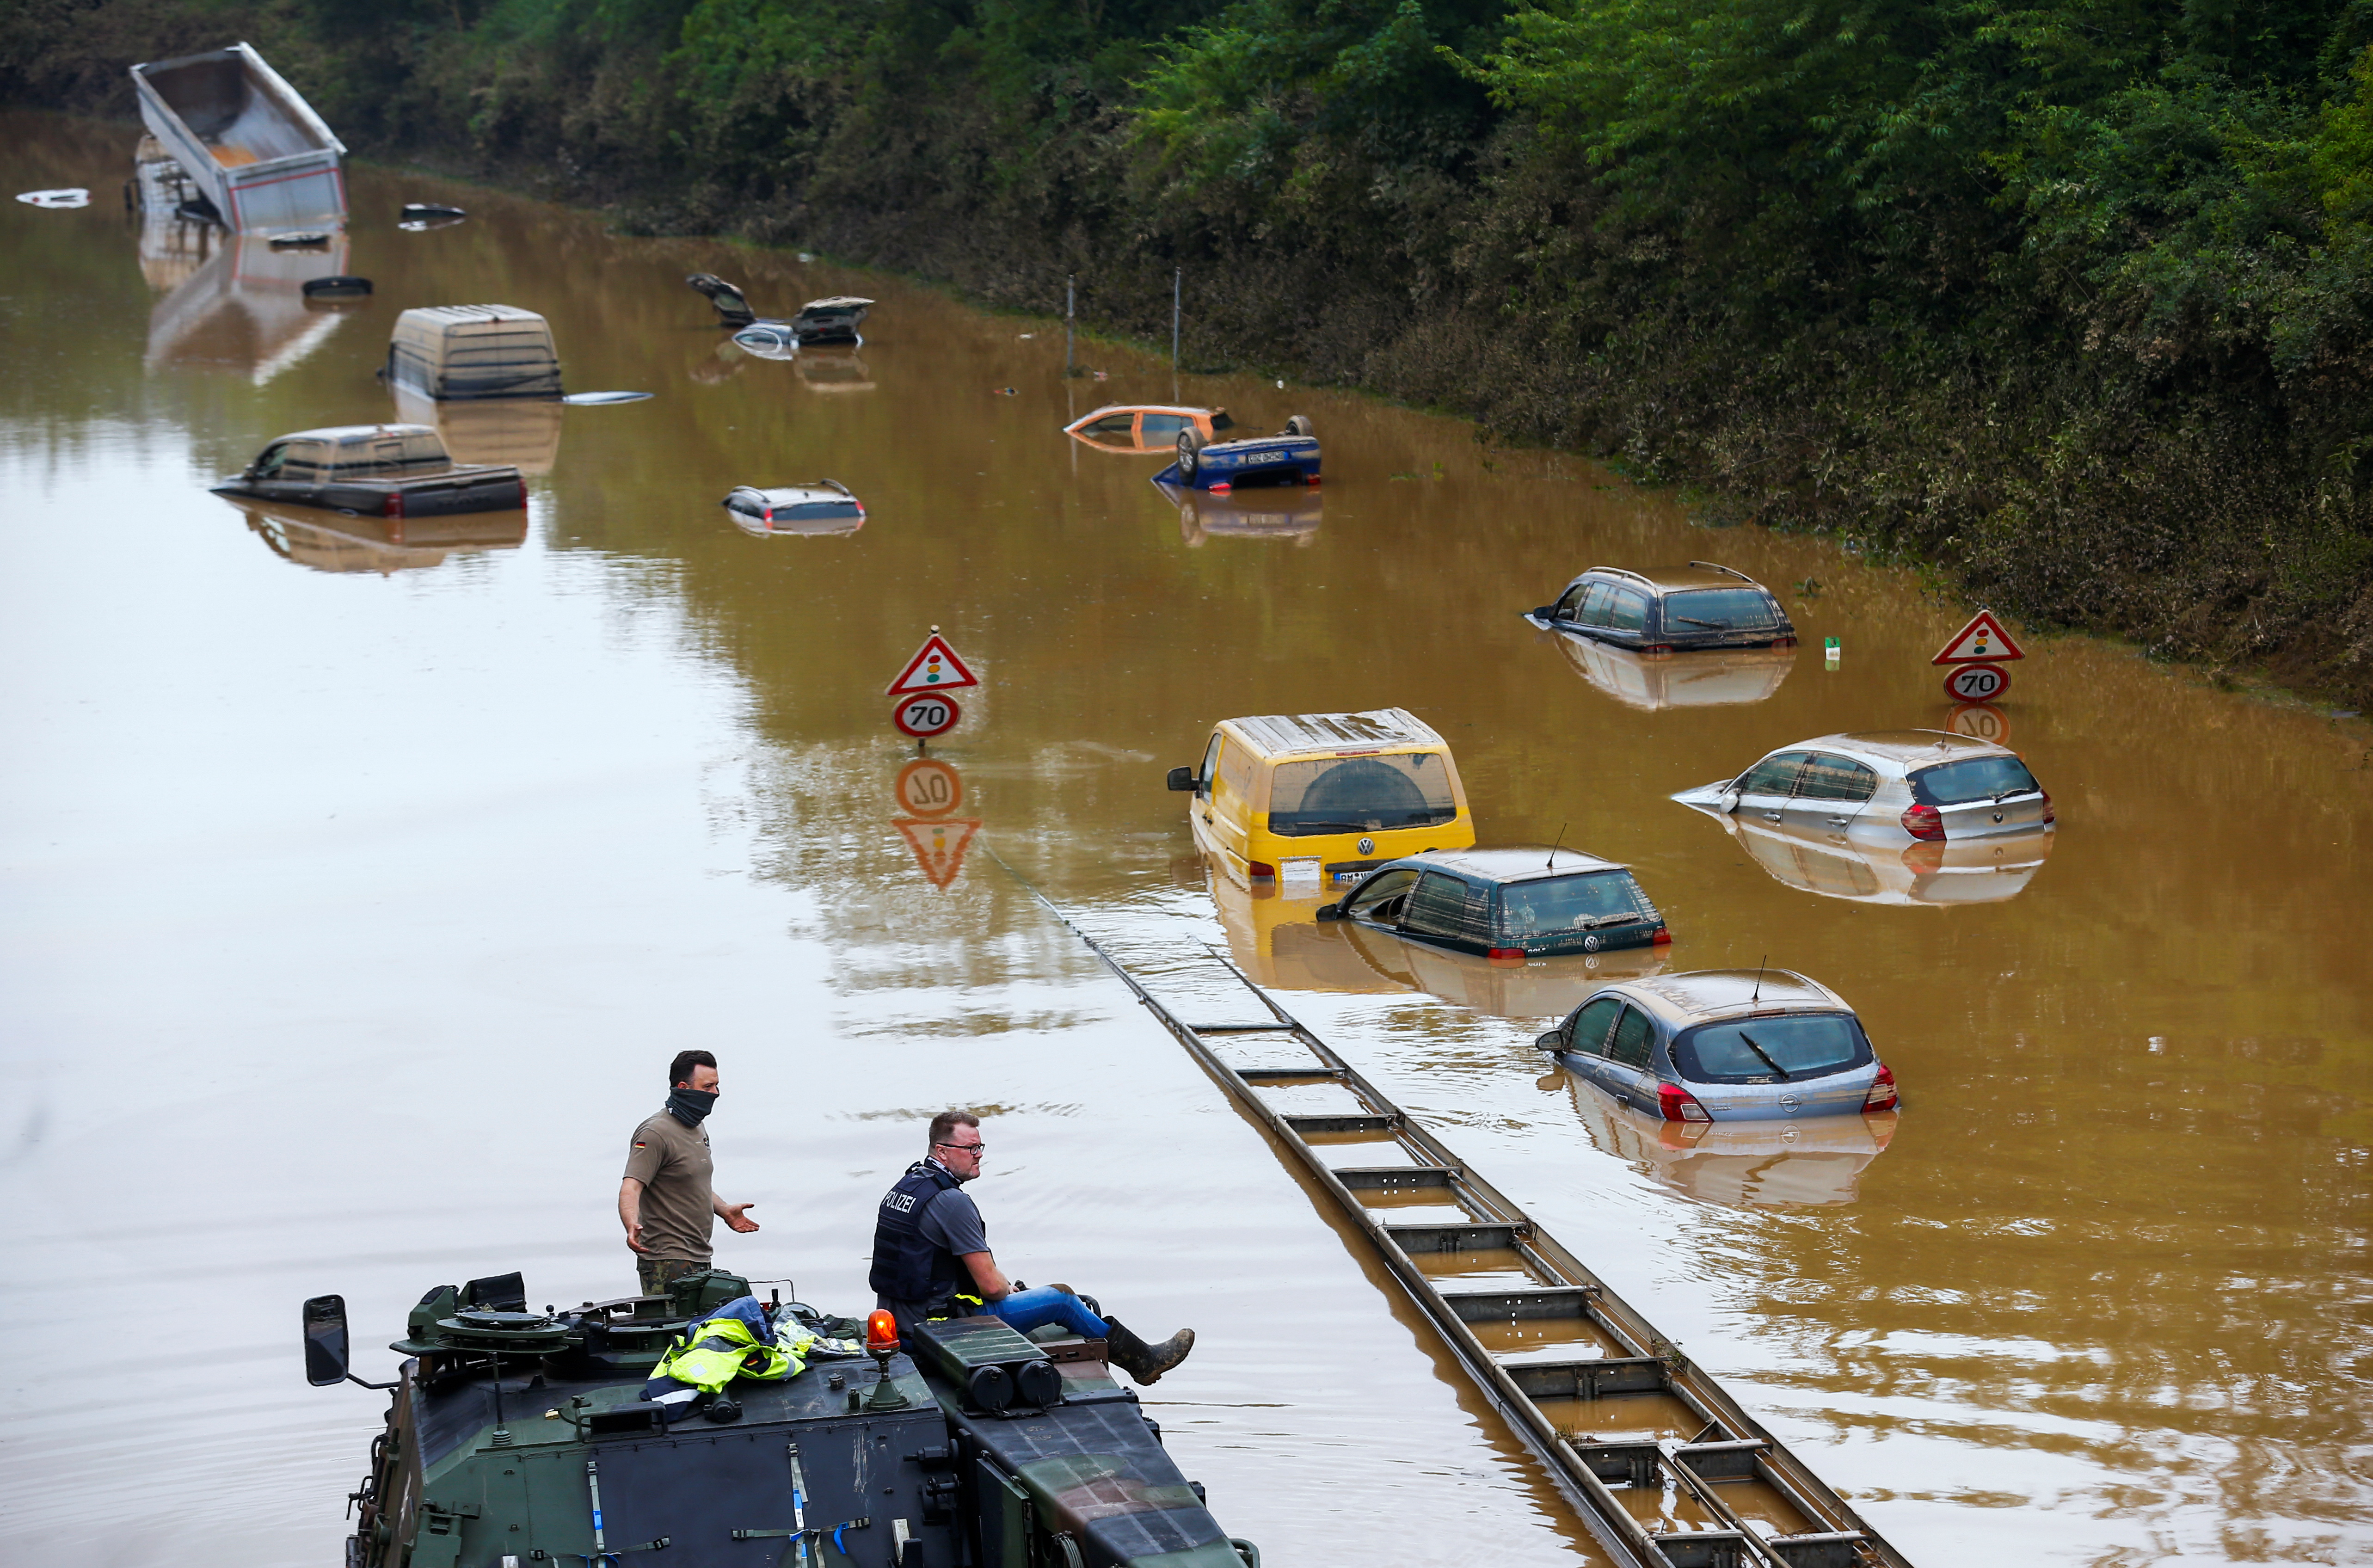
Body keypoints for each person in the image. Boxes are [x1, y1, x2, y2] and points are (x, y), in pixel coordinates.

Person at [869, 1110, 1195, 1385]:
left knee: (1056, 1298)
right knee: (1063, 1299)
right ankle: (1144, 1362)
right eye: (971, 1148)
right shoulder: (952, 1202)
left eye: (981, 1146)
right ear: (942, 1151)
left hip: (904, 1323)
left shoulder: (907, 1186)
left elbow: (928, 1264)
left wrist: (1000, 1286)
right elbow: (992, 1287)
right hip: (942, 1330)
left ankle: (1133, 1353)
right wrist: (1003, 1288)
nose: (980, 1154)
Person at [621, 1050, 760, 1295]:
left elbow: (692, 1181)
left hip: (700, 1254)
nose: (715, 1094)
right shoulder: (655, 1133)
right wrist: (631, 1224)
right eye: (708, 1087)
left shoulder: (697, 1128)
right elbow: (631, 1186)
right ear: (684, 1088)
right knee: (676, 1332)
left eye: (717, 1086)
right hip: (666, 1260)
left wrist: (724, 1210)